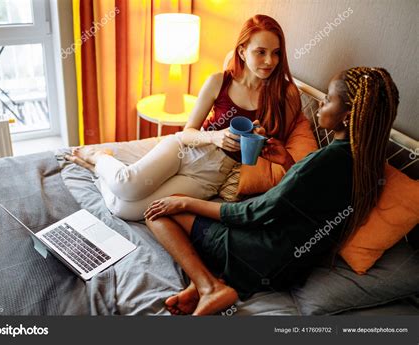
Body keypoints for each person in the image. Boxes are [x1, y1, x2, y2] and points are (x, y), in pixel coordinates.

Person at [143, 67, 399, 315]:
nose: (321, 103)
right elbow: (313, 197)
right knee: (197, 218)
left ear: (348, 115)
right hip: (294, 267)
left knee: (159, 211)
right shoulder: (369, 166)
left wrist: (186, 203)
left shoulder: (327, 160)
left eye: (329, 99)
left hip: (262, 254)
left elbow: (254, 212)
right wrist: (288, 163)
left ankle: (208, 286)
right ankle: (202, 284)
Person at [65, 14, 306, 221]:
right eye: (260, 52)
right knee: (128, 184)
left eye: (276, 53)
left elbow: (278, 144)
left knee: (126, 208)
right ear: (242, 52)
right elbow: (188, 131)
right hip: (185, 149)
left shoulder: (286, 93)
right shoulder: (219, 81)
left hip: (210, 174)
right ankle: (98, 157)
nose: (269, 61)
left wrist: (262, 138)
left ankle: (100, 170)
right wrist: (215, 137)